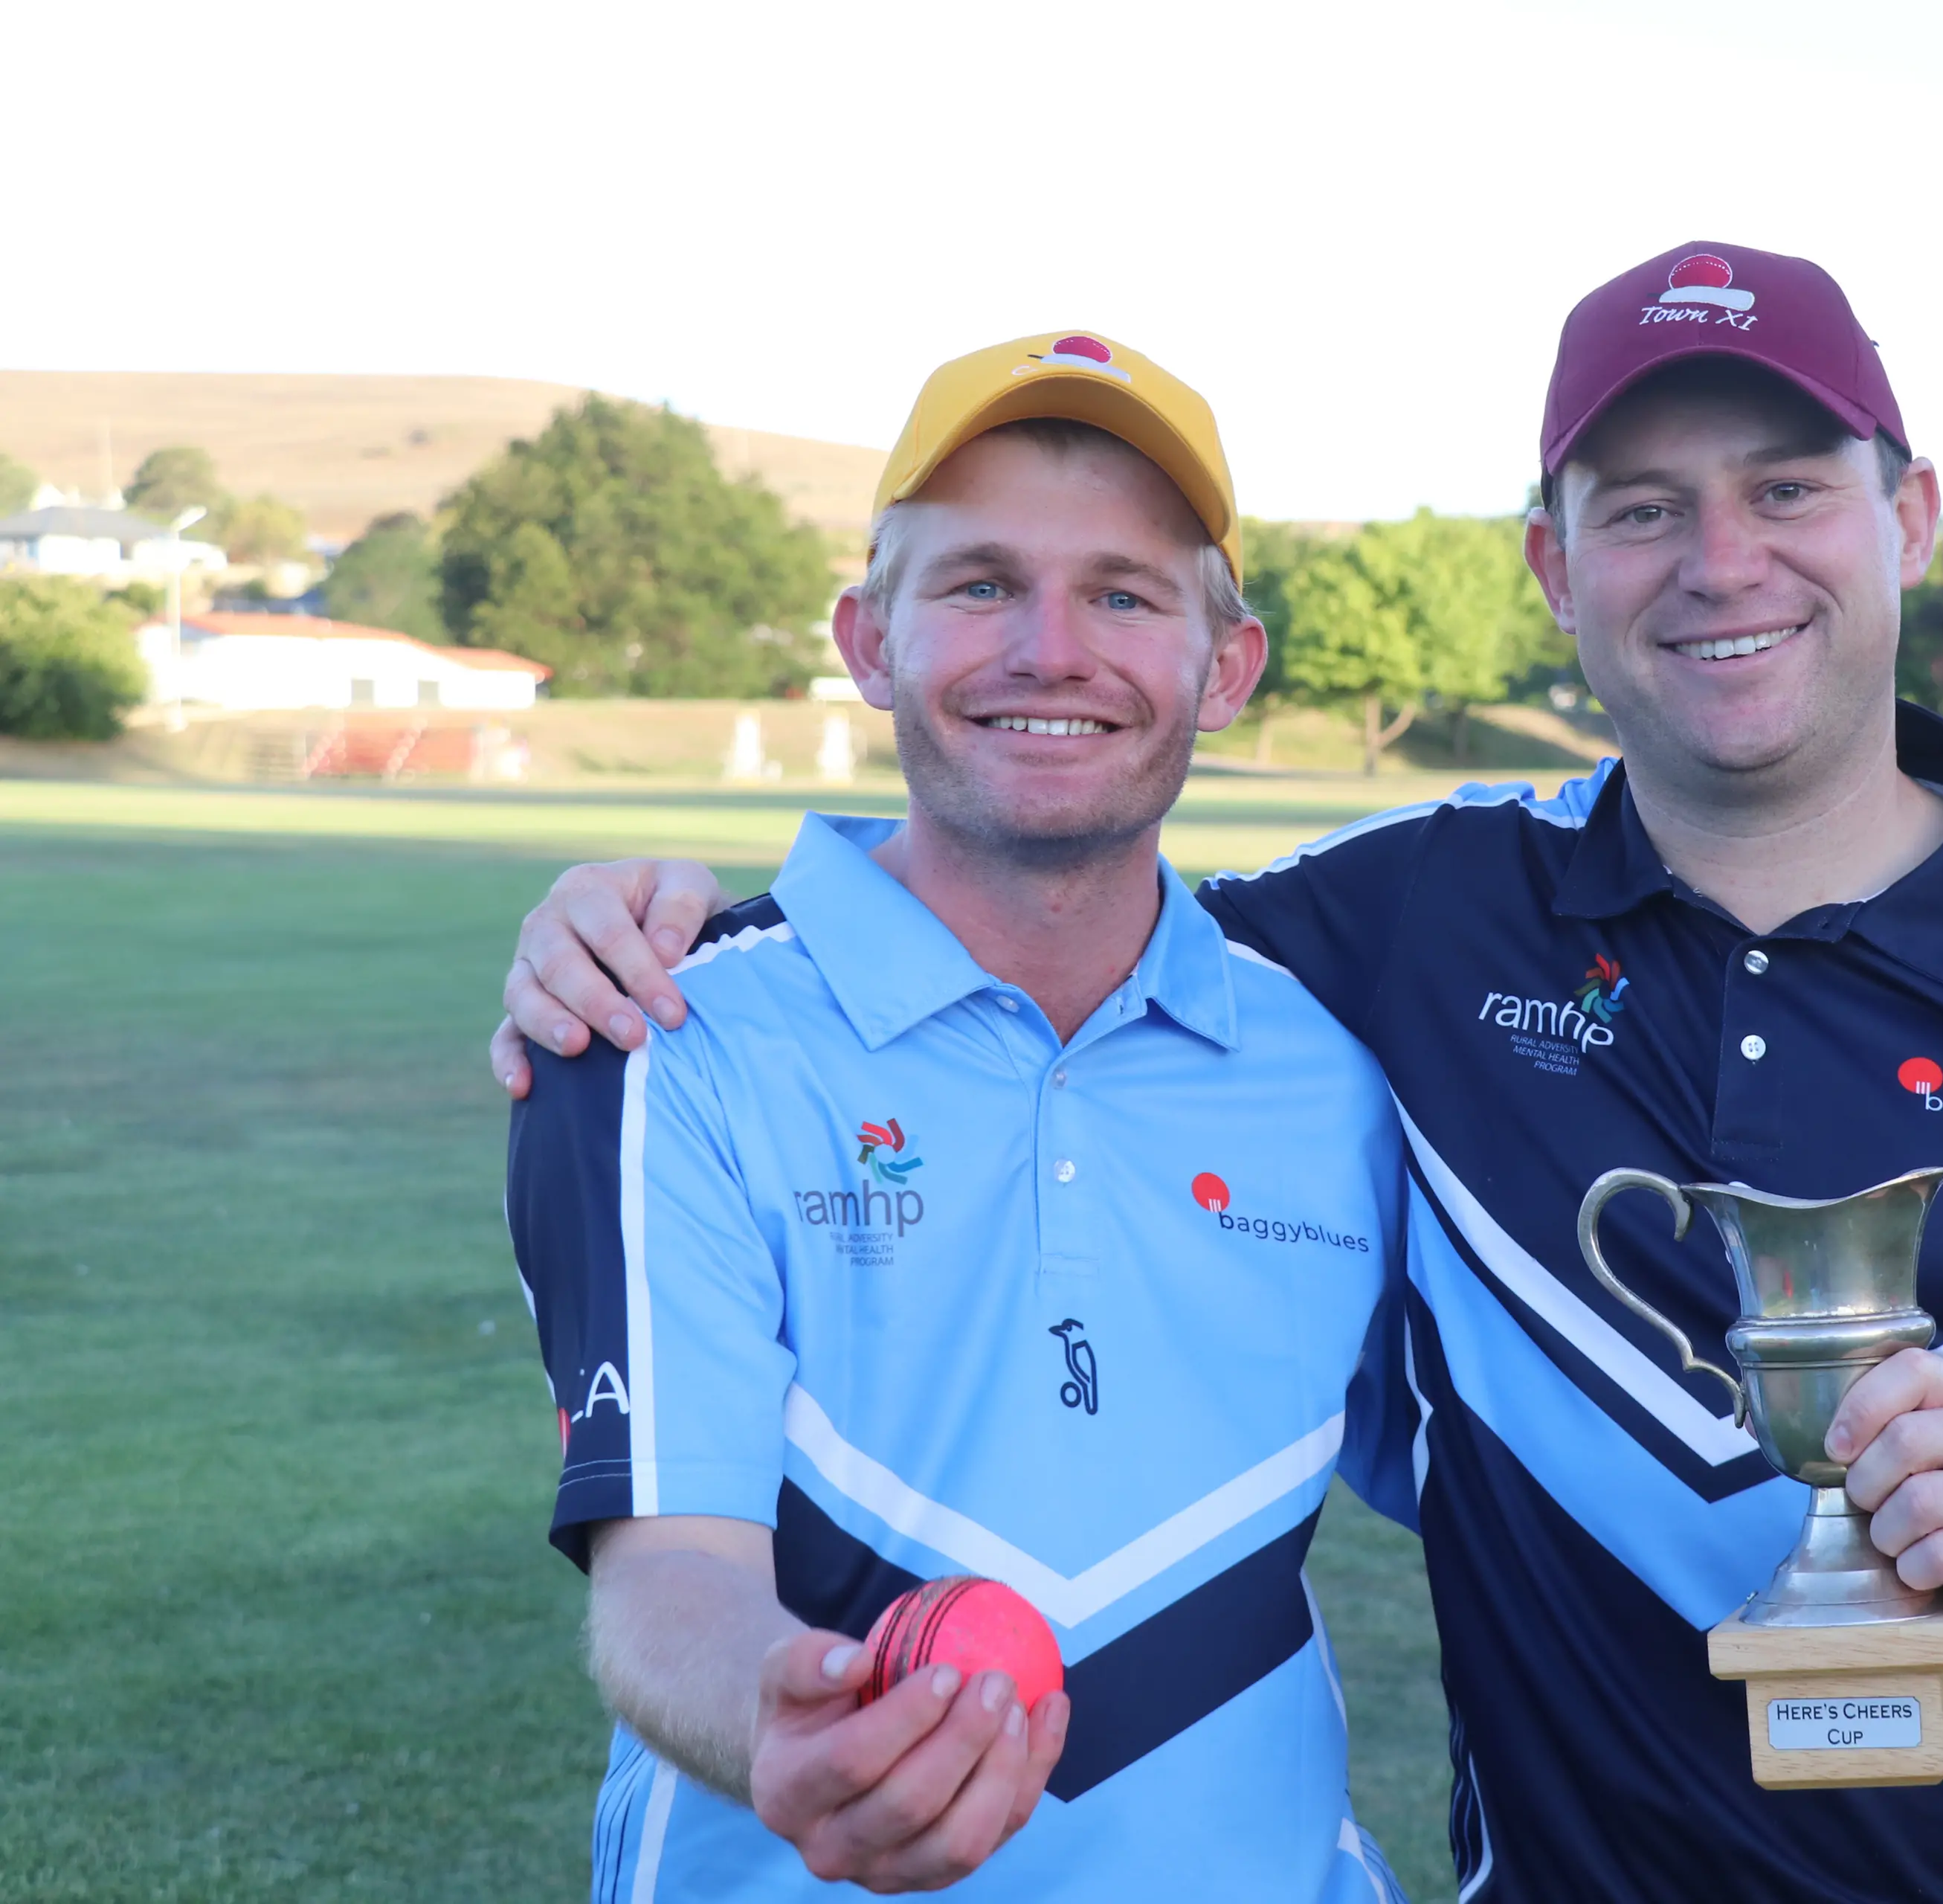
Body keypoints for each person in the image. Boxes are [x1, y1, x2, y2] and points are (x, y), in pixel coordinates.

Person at [497, 243, 1943, 1902]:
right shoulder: (1413, 924)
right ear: (1553, 561)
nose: (1720, 560)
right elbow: (1047, 864)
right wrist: (651, 917)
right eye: (1644, 507)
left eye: (1785, 489)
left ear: (1908, 516)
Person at [504, 331, 1411, 1901]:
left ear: (1228, 663)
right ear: (869, 639)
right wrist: (781, 1728)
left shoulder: (1342, 1062)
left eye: (1126, 593)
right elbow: (666, 1573)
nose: (1052, 648)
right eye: (982, 584)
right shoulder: (658, 1028)